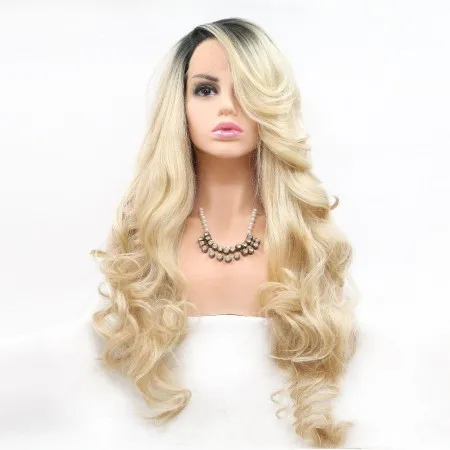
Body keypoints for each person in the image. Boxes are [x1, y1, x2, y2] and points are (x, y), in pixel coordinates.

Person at [0, 17, 409, 450]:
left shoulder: (302, 241)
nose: (227, 107)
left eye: (245, 90)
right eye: (206, 90)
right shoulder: (150, 241)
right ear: (180, 105)